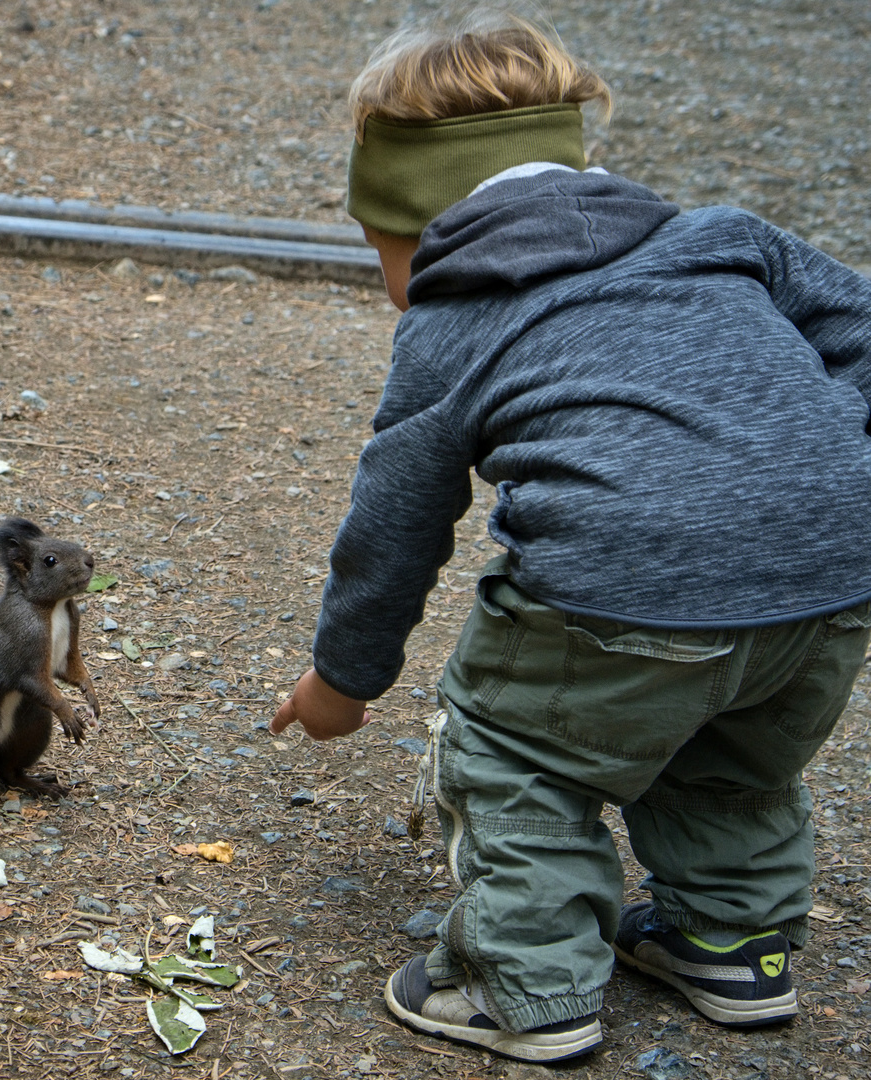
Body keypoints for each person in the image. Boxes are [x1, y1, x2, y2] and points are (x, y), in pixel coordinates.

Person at [269, 11, 871, 1064]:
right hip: (831, 577)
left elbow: (396, 524)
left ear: (410, 217)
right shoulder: (722, 235)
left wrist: (342, 680)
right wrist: (806, 465)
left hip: (621, 582)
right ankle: (729, 943)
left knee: (516, 750)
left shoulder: (453, 318)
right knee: (731, 751)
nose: (385, 273)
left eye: (378, 247)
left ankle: (523, 987)